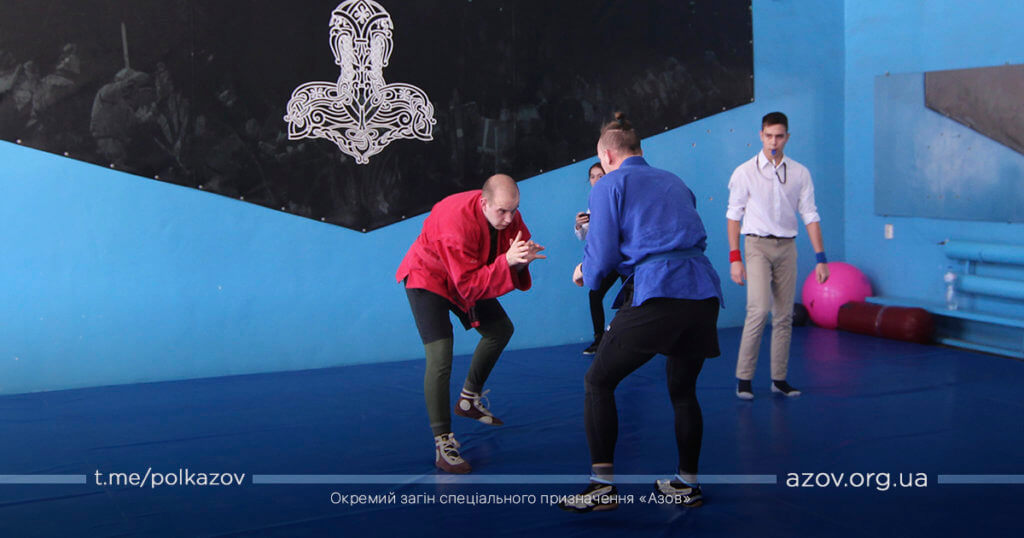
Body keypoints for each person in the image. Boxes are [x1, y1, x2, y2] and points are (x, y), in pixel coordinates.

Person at [560, 113, 723, 513]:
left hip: (659, 291)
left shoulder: (608, 184)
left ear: (606, 155)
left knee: (598, 381)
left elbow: (602, 256)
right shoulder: (675, 181)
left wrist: (584, 272)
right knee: (683, 391)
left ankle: (601, 487)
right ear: (639, 149)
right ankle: (687, 483)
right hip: (702, 290)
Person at [396, 174, 546, 474]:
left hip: (469, 274)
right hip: (428, 277)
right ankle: (443, 442)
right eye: (502, 211)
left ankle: (468, 399)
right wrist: (506, 263)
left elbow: (507, 260)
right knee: (440, 357)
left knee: (500, 330)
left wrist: (521, 261)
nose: (509, 218)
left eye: (514, 210)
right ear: (483, 202)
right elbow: (468, 287)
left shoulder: (508, 214)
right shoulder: (454, 222)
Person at [726, 111, 830, 400]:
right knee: (758, 310)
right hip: (756, 245)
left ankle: (779, 379)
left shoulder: (800, 173)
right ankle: (744, 378)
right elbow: (733, 216)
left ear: (787, 137)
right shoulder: (744, 172)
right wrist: (735, 258)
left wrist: (821, 258)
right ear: (761, 136)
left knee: (784, 315)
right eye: (769, 136)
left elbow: (810, 215)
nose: (774, 142)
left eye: (779, 136)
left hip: (787, 246)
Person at [573, 162, 621, 355]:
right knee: (595, 295)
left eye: (600, 175)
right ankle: (600, 339)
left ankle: (620, 338)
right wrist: (579, 225)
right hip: (608, 260)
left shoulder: (615, 195)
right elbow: (584, 235)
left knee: (632, 299)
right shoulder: (593, 204)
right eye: (592, 176)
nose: (596, 180)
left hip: (625, 257)